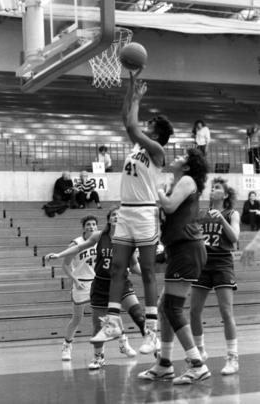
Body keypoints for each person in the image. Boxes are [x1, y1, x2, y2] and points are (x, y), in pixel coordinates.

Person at [90, 70, 174, 354]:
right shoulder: (138, 146)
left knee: (148, 272)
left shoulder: (157, 150)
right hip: (125, 212)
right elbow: (128, 121)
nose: (144, 126)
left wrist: (137, 98)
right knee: (117, 268)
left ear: (157, 133)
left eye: (149, 124)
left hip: (144, 213)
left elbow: (131, 126)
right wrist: (130, 88)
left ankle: (151, 330)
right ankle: (113, 321)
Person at [138, 148, 210, 384]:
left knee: (173, 308)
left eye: (182, 157)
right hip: (179, 250)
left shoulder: (187, 180)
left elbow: (168, 206)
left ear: (188, 167)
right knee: (163, 307)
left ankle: (197, 364)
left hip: (187, 249)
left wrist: (157, 187)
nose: (176, 158)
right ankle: (164, 365)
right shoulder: (179, 183)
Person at [46, 206, 146, 369]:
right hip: (97, 283)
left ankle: (145, 343)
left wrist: (147, 275)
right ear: (109, 219)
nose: (116, 217)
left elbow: (134, 265)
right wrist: (59, 254)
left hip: (119, 283)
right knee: (95, 323)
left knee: (136, 313)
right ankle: (97, 356)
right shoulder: (99, 236)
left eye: (119, 215)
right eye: (113, 215)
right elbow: (78, 249)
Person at [190, 177, 240, 376]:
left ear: (225, 195)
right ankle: (200, 351)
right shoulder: (202, 214)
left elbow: (235, 238)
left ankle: (232, 357)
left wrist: (221, 219)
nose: (213, 190)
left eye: (217, 187)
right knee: (194, 311)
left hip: (222, 263)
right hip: (202, 264)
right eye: (212, 187)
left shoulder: (231, 213)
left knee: (226, 312)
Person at [45, 215, 99, 361]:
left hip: (97, 281)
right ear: (84, 227)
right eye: (88, 224)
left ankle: (120, 342)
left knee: (103, 316)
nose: (91, 227)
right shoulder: (76, 243)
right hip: (81, 282)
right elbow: (65, 265)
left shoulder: (101, 241)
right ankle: (67, 345)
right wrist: (75, 280)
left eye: (94, 224)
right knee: (77, 318)